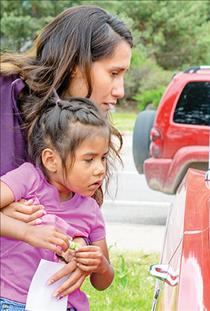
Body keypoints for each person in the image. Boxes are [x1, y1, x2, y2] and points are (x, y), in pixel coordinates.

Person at [0, 4, 132, 298]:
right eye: (113, 73)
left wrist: (84, 257)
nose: (121, 90)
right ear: (76, 65)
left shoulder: (82, 128)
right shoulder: (6, 92)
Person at [1, 96, 118, 310]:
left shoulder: (90, 210)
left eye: (103, 158)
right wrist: (27, 232)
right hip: (13, 302)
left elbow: (103, 282)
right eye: (89, 159)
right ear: (51, 160)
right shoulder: (28, 179)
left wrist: (100, 265)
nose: (100, 169)